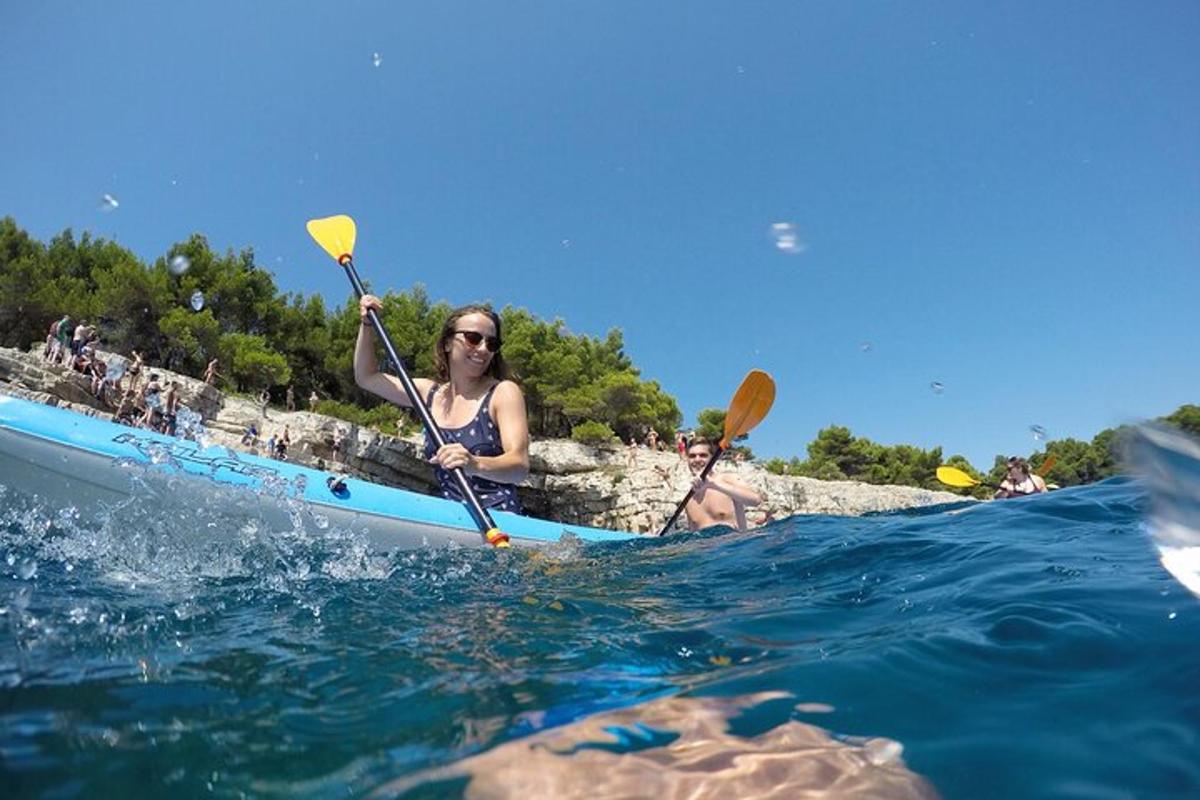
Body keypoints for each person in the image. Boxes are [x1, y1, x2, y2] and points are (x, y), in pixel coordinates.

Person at [354, 296, 529, 513]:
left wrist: (474, 464)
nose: (483, 349)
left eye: (492, 343)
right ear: (447, 343)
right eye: (473, 338)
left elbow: (519, 466)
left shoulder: (503, 392)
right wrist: (368, 324)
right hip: (449, 516)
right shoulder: (428, 393)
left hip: (499, 519)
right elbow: (366, 377)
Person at [682, 437, 763, 533]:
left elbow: (755, 500)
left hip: (734, 546)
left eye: (703, 455)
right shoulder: (689, 499)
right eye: (692, 456)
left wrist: (713, 484)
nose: (697, 459)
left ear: (712, 458)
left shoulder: (729, 479)